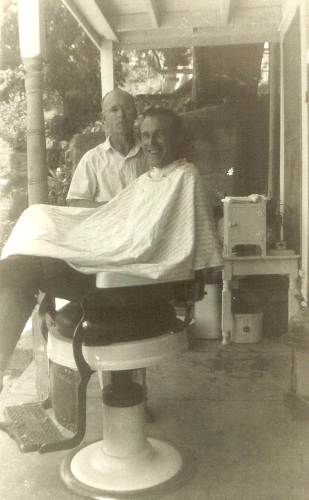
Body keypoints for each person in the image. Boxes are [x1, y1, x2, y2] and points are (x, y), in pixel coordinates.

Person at [0, 88, 147, 389]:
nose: (120, 115)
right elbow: (77, 206)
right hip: (95, 248)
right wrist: (115, 210)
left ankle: (133, 388)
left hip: (133, 258)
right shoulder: (93, 160)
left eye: (125, 109)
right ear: (104, 118)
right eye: (113, 110)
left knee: (20, 271)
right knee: (29, 239)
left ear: (135, 113)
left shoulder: (149, 157)